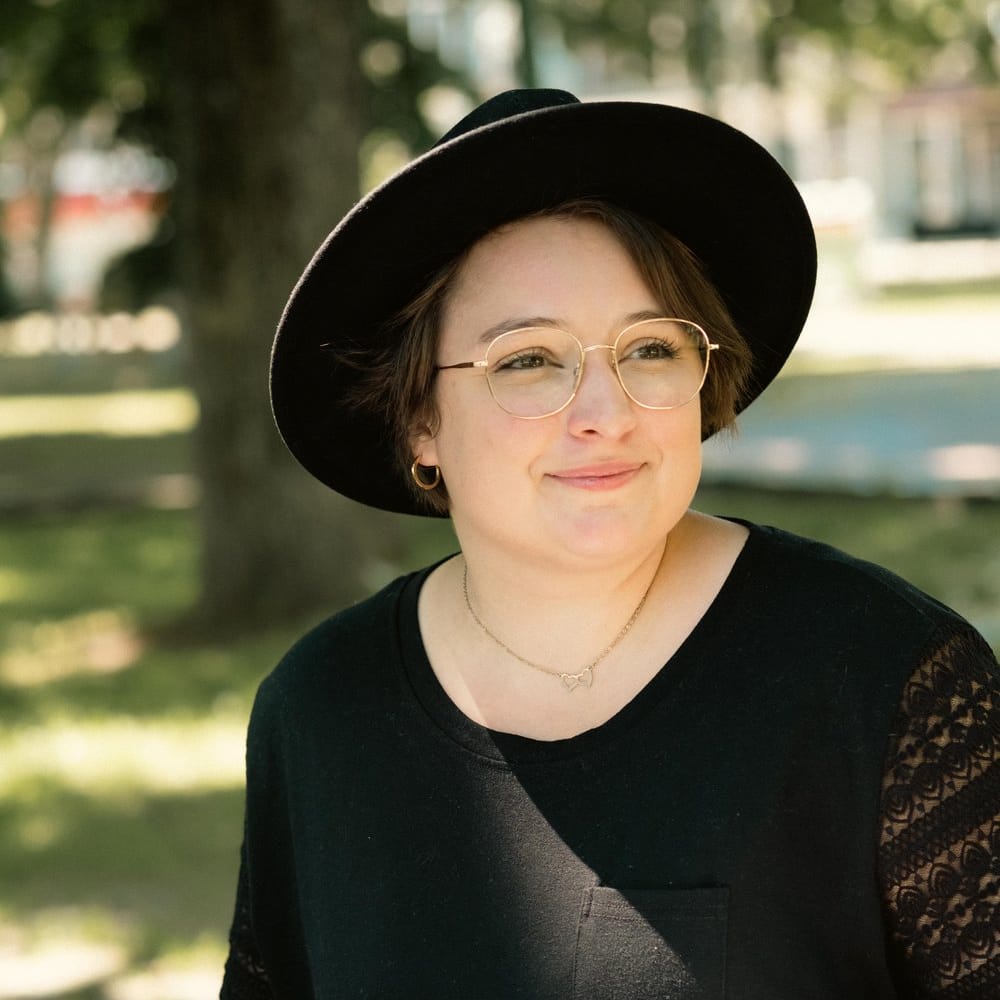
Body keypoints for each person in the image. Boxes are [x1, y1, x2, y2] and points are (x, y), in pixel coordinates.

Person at [220, 90, 1000, 999]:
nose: (605, 414)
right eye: (528, 360)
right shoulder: (319, 711)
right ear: (419, 419)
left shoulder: (891, 685)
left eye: (651, 350)